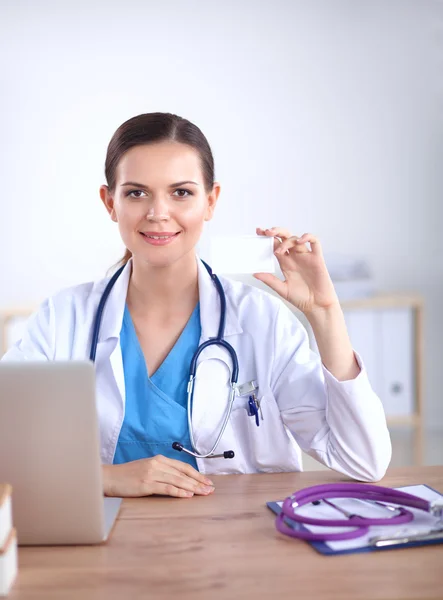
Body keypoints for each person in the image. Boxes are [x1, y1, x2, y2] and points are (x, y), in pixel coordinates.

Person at [2, 112, 391, 499]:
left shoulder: (261, 321)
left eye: (181, 192)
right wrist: (102, 478)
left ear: (210, 201)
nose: (158, 213)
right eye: (136, 192)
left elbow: (363, 460)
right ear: (110, 203)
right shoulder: (62, 319)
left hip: (235, 544)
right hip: (103, 550)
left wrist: (324, 313)